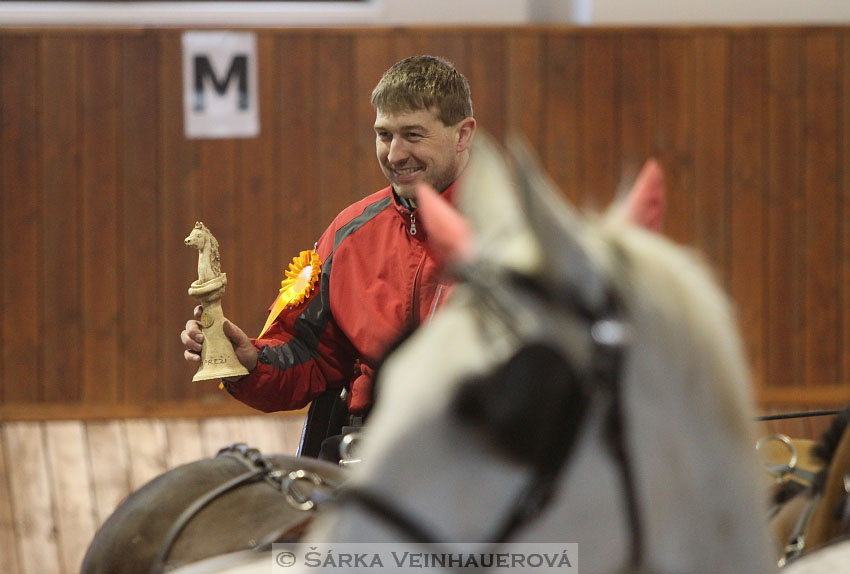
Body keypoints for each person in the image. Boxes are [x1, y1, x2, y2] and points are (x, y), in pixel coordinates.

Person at [181, 55, 478, 427]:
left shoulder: (511, 238)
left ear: (463, 134)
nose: (395, 154)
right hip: (369, 445)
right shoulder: (350, 233)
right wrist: (250, 362)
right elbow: (309, 356)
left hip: (482, 447)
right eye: (384, 135)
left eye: (413, 135)